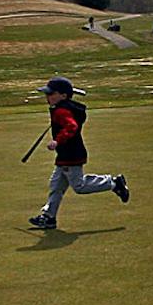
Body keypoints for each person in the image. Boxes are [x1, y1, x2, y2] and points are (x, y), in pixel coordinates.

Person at [28, 76, 128, 230]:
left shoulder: (62, 111)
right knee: (56, 186)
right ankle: (48, 217)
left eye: (51, 94)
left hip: (71, 154)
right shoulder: (63, 107)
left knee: (79, 186)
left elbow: (71, 127)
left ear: (63, 95)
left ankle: (113, 183)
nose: (47, 97)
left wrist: (57, 141)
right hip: (65, 155)